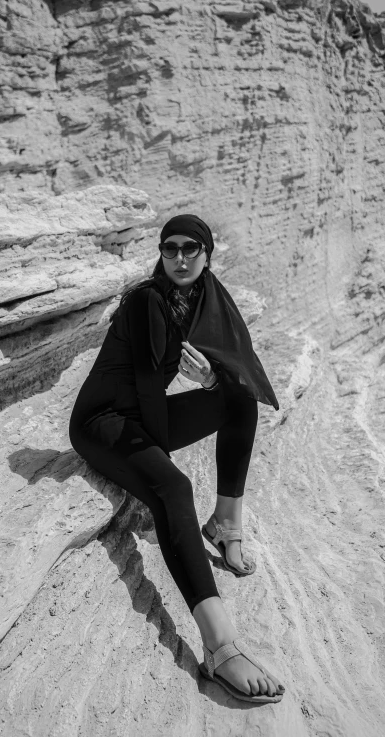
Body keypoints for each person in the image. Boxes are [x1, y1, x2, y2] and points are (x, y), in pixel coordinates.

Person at [69, 214, 285, 704]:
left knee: (237, 398)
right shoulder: (149, 299)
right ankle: (220, 646)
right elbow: (147, 391)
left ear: (207, 254)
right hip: (102, 422)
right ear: (161, 253)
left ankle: (226, 525)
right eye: (170, 249)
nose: (181, 258)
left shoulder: (205, 298)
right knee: (174, 490)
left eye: (192, 248)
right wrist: (157, 469)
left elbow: (239, 369)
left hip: (139, 414)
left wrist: (211, 383)